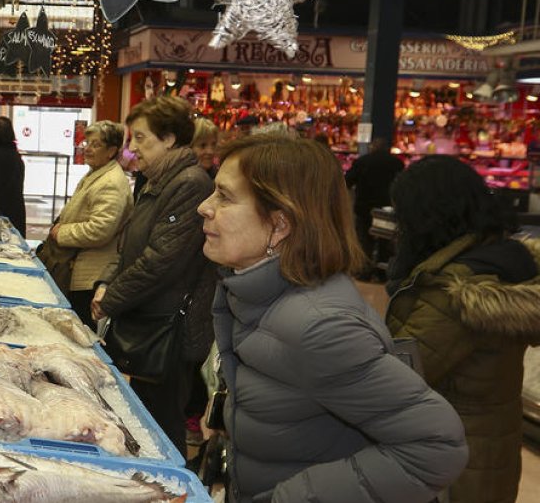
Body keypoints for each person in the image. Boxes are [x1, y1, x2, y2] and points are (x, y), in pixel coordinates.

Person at [198, 135, 468, 503]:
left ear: (280, 225)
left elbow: (436, 446)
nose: (204, 207)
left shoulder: (319, 327)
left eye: (225, 197)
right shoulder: (253, 295)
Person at [386, 156, 540, 503]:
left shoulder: (453, 294)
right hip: (488, 450)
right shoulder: (498, 261)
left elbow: (395, 381)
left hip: (450, 463)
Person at [91, 96, 214, 455]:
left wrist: (110, 298)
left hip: (168, 328)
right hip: (148, 318)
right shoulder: (156, 180)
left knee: (161, 425)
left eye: (141, 138)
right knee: (143, 416)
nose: (132, 148)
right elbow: (130, 246)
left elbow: (161, 260)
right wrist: (105, 282)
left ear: (170, 139)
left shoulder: (188, 183)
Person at [47, 121, 131, 325]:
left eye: (96, 144)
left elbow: (100, 230)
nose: (88, 149)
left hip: (90, 277)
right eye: (87, 142)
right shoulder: (96, 172)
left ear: (111, 151)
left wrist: (62, 232)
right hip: (78, 267)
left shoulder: (111, 182)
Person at [345, 137, 403, 274]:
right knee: (385, 239)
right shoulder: (397, 163)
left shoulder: (362, 162)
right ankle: (382, 273)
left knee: (365, 241)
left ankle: (364, 272)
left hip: (365, 207)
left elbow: (347, 181)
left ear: (372, 147)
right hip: (387, 208)